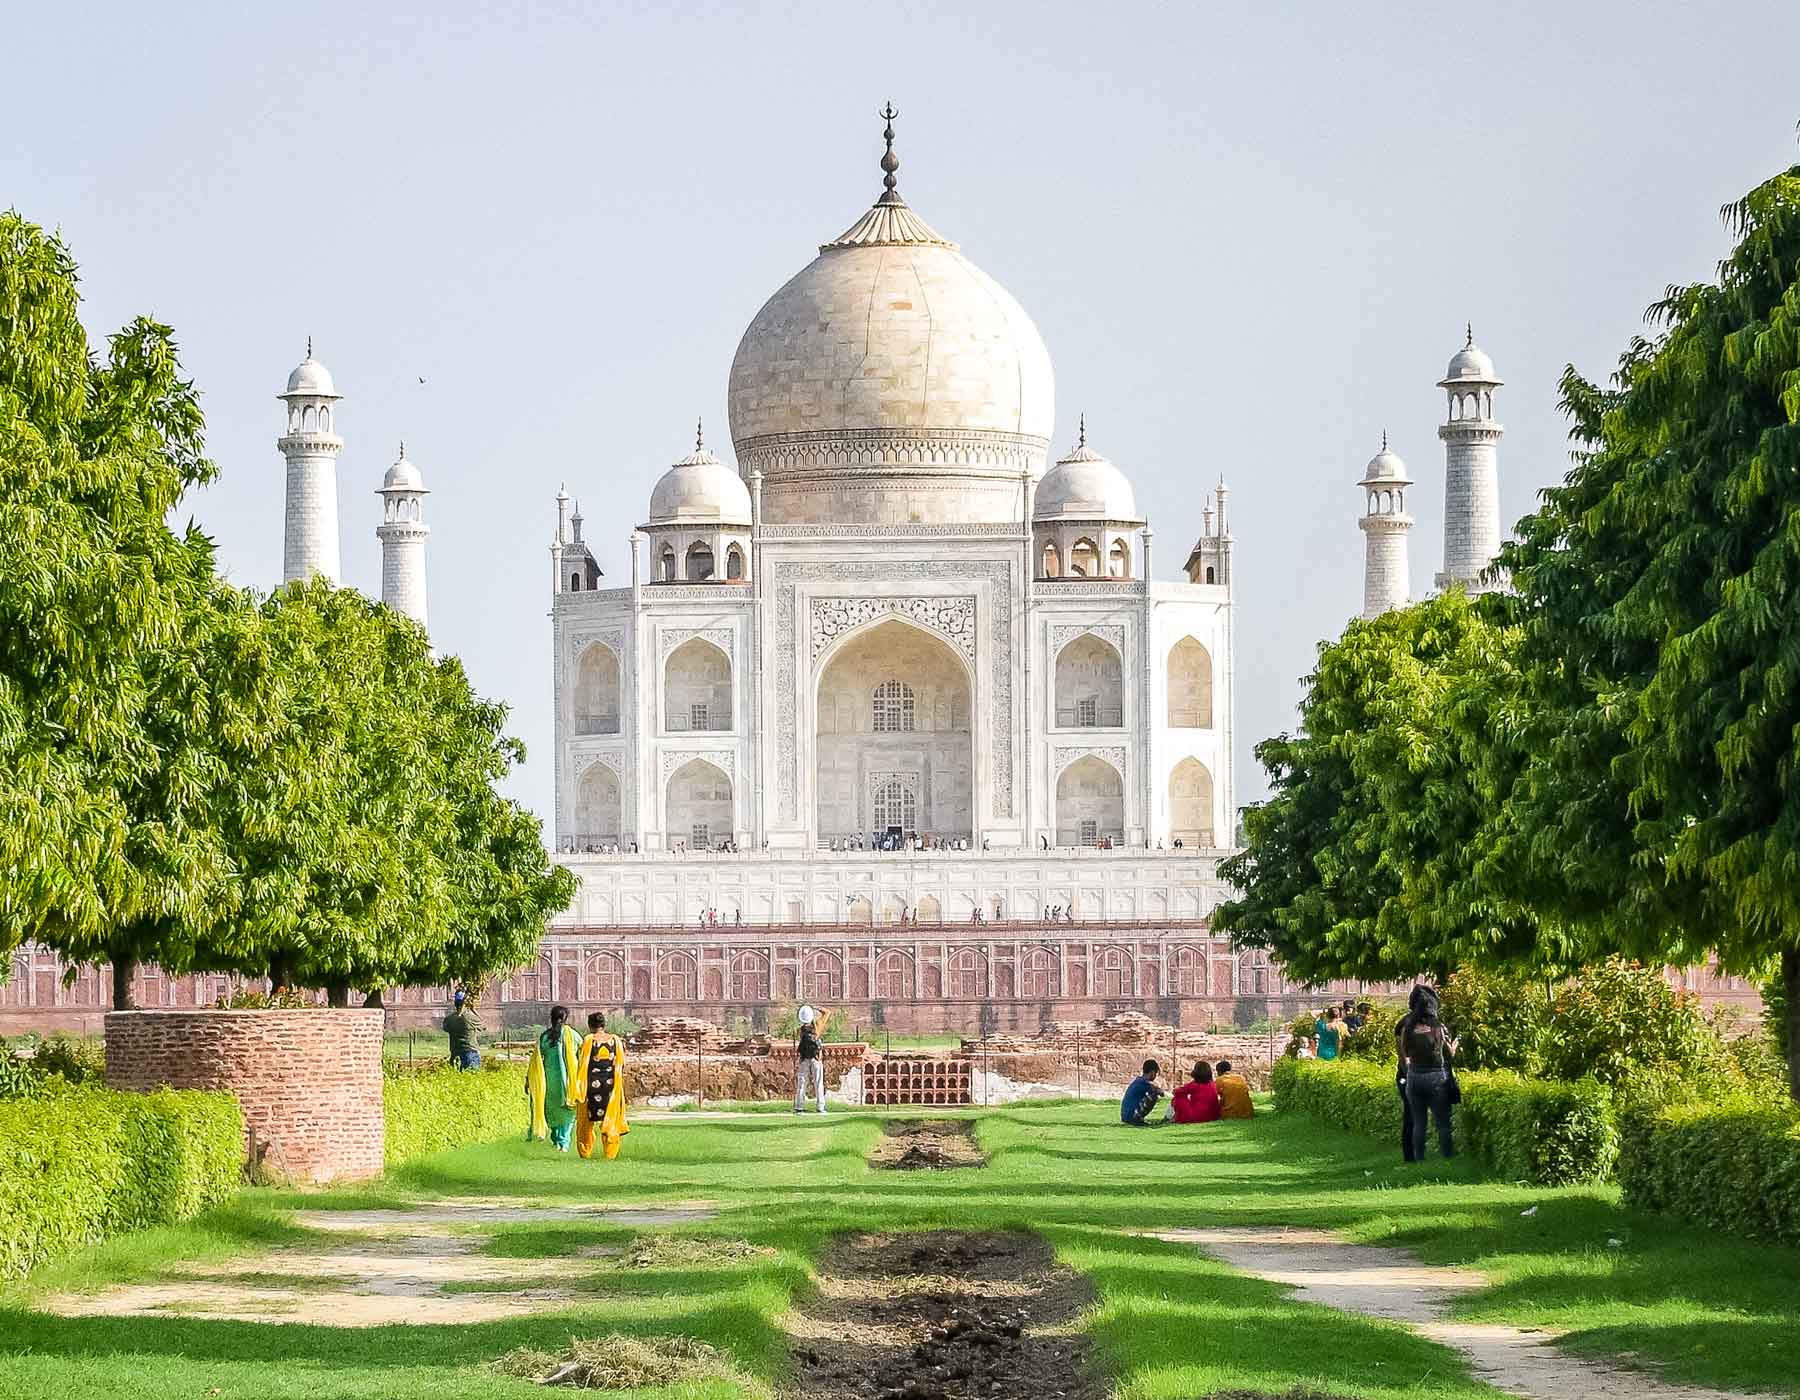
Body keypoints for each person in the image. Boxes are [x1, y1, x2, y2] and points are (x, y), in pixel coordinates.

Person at [1399, 987, 1457, 1162]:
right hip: (1436, 1076)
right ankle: (1448, 1157)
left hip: (1415, 1076)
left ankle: (1419, 1159)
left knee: (1419, 1123)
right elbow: (1449, 1053)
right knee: (1442, 1123)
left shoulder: (1408, 1028)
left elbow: (1405, 1053)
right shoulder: (1438, 1027)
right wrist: (1455, 1045)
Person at [526, 1005, 582, 1151]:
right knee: (568, 1111)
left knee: (552, 1110)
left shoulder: (545, 1037)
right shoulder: (573, 1035)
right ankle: (563, 1143)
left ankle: (556, 1140)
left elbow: (536, 1061)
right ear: (565, 1018)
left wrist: (529, 1081)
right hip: (568, 1081)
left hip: (549, 1081)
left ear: (551, 1018)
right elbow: (583, 1055)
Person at [575, 1013, 629, 1160]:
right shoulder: (615, 1040)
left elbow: (582, 1064)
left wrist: (578, 1088)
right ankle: (610, 1154)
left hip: (592, 1086)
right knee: (610, 1120)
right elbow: (621, 1063)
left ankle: (585, 1152)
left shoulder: (589, 1040)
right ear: (604, 1024)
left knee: (587, 1122)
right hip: (610, 1086)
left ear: (590, 1025)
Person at [793, 1004, 826, 1114]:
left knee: (802, 1082)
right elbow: (828, 1013)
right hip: (816, 1058)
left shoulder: (801, 1030)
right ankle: (820, 1107)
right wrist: (817, 1008)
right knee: (818, 1082)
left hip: (804, 1059)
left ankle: (799, 1107)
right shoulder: (817, 1026)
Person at [443, 989, 482, 1070]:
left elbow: (445, 1028)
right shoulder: (470, 1018)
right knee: (471, 1078)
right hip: (470, 1053)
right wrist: (473, 1010)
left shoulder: (449, 1019)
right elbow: (483, 1026)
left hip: (455, 1052)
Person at [1120, 1059, 1166, 1126]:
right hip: (1130, 1116)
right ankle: (1137, 1119)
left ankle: (1136, 1118)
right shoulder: (1143, 1083)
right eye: (1156, 1073)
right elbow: (1161, 1093)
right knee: (1153, 1095)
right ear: (1152, 1072)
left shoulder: (1138, 1080)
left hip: (1125, 1116)